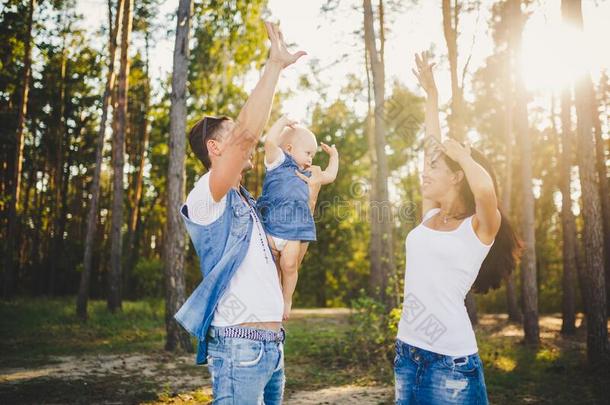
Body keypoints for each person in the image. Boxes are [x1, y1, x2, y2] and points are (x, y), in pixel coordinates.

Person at [173, 22, 319, 404]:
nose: (243, 136)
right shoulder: (207, 198)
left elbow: (289, 246)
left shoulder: (249, 206)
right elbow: (248, 137)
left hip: (272, 347)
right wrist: (274, 66)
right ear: (215, 148)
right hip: (240, 347)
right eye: (233, 133)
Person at [393, 51, 521, 404]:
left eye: (435, 167)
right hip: (407, 354)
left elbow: (485, 190)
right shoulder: (429, 215)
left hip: (451, 362)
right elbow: (430, 145)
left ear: (456, 176)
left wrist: (464, 154)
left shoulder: (479, 229)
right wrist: (432, 97)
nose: (424, 170)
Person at [257, 116, 339, 320]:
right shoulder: (277, 162)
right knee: (271, 266)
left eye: (313, 154)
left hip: (294, 230)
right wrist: (283, 121)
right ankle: (272, 297)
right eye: (308, 153)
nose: (311, 158)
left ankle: (287, 299)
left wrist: (334, 157)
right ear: (290, 148)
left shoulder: (309, 172)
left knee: (290, 265)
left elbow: (329, 176)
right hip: (270, 225)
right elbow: (269, 141)